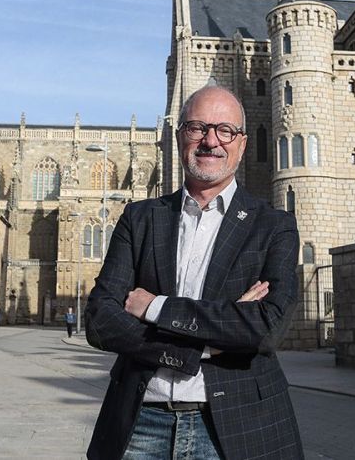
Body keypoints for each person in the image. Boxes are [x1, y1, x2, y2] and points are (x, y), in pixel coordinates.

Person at [85, 86, 303, 459]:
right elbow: (100, 320)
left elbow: (267, 328)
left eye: (225, 130)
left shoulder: (273, 226)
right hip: (140, 423)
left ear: (242, 144)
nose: (210, 141)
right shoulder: (140, 219)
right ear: (180, 136)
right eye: (197, 127)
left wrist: (154, 307)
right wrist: (205, 343)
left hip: (237, 426)